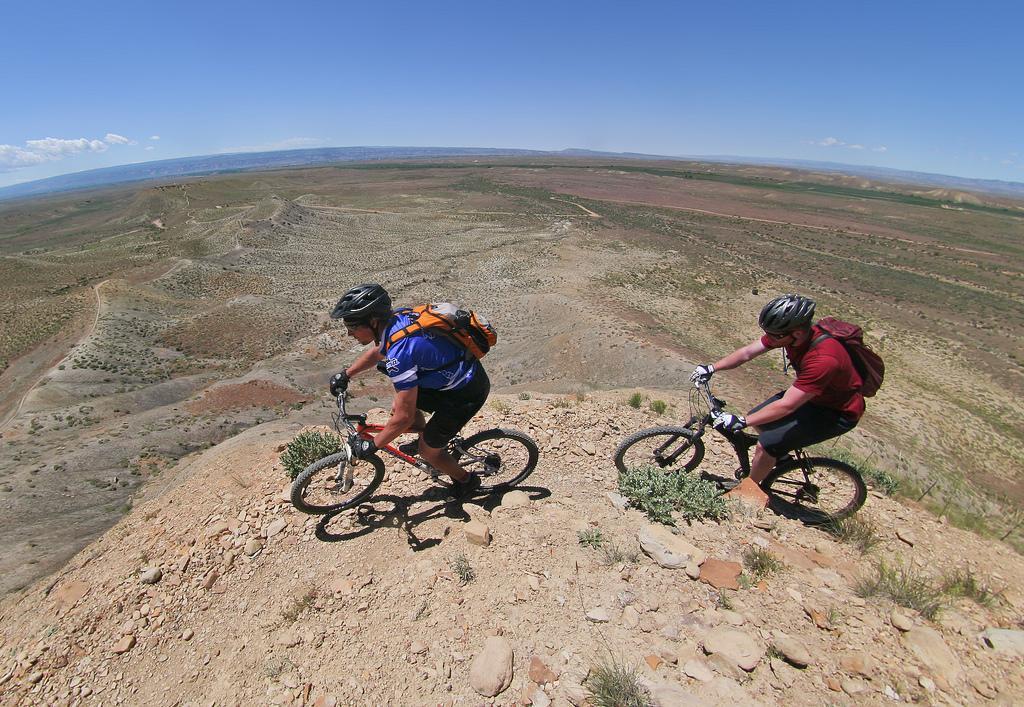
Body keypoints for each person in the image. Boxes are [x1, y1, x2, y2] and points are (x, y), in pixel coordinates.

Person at [327, 283, 490, 497]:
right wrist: (347, 373)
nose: (349, 333)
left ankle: (466, 480)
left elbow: (402, 418)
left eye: (352, 325)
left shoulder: (399, 356)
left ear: (373, 321)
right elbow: (378, 351)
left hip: (465, 393)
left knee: (428, 451)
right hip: (451, 379)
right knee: (400, 403)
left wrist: (374, 445)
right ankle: (425, 435)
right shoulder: (397, 320)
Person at [689, 294, 864, 486]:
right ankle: (781, 462)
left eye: (773, 335)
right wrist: (712, 368)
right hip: (814, 398)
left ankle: (749, 490)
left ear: (796, 333)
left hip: (836, 413)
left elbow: (787, 405)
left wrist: (742, 421)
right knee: (758, 417)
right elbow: (747, 353)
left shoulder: (823, 359)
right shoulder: (787, 336)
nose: (768, 338)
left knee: (767, 444)